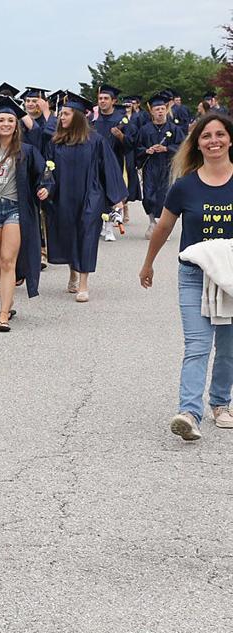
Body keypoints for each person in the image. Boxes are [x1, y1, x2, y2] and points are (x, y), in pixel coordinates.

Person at [139, 112, 233, 440]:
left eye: (220, 134)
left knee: (228, 344)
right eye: (206, 136)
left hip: (230, 278)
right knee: (197, 344)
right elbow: (164, 226)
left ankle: (221, 403)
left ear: (230, 139)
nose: (214, 141)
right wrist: (148, 263)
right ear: (198, 144)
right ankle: (190, 413)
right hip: (194, 275)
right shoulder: (185, 186)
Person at [0, 96, 53, 330]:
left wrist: (45, 187)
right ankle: (8, 300)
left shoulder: (26, 151)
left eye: (10, 120)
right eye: (1, 120)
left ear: (16, 125)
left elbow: (44, 175)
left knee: (7, 261)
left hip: (15, 208)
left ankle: (3, 313)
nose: (5, 124)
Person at [43, 91, 127, 302]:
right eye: (61, 114)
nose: (61, 118)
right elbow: (48, 170)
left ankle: (83, 283)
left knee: (87, 235)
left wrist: (116, 198)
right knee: (69, 234)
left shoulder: (96, 141)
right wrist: (46, 188)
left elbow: (108, 168)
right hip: (63, 195)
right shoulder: (56, 142)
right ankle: (73, 271)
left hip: (91, 194)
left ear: (78, 117)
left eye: (66, 114)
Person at [92, 84, 138, 242]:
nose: (102, 101)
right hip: (95, 162)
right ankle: (102, 225)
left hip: (115, 161)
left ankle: (110, 227)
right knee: (98, 194)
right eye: (100, 99)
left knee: (112, 193)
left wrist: (120, 136)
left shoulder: (121, 120)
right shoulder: (93, 120)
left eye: (106, 98)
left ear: (113, 101)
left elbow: (131, 143)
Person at [135, 93, 184, 240]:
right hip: (151, 166)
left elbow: (182, 146)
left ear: (166, 110)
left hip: (167, 166)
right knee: (149, 196)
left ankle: (162, 227)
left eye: (163, 108)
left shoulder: (174, 129)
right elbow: (138, 147)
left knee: (165, 196)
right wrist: (146, 150)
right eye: (157, 109)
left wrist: (167, 149)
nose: (160, 111)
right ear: (152, 111)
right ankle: (152, 222)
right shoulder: (145, 130)